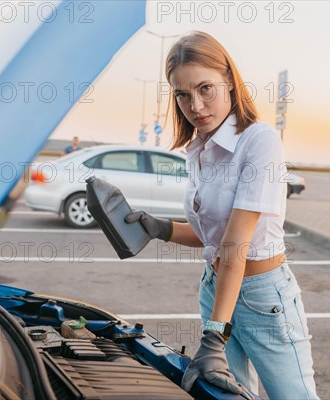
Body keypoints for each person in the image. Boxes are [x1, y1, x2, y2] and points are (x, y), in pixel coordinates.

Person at [124, 31, 318, 399]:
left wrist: (215, 335)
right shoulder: (199, 148)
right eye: (182, 94)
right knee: (226, 396)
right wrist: (160, 228)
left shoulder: (259, 141)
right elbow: (213, 235)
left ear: (229, 79)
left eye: (205, 88)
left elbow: (235, 244)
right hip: (216, 288)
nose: (195, 105)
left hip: (263, 298)